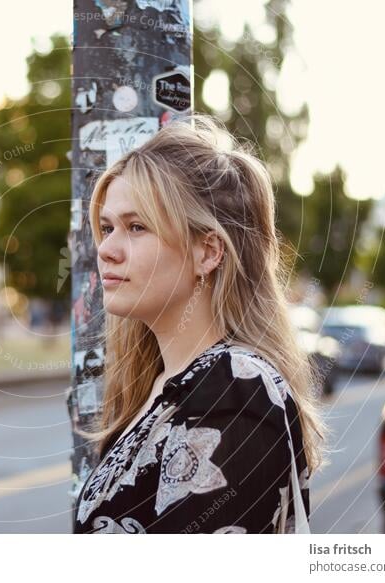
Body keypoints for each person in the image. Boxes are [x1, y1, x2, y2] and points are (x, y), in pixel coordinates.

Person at [72, 114, 330, 534]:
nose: (107, 250)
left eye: (136, 227)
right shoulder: (162, 385)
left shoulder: (236, 390)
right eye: (106, 227)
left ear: (207, 252)